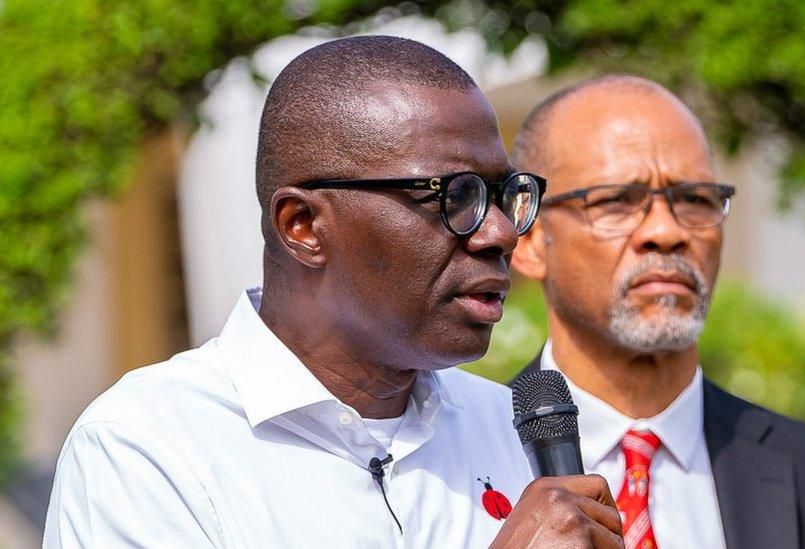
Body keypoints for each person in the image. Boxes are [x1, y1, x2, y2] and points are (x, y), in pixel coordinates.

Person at [44, 37, 625, 548]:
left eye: (505, 195)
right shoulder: (149, 449)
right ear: (302, 225)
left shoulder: (510, 428)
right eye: (456, 196)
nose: (499, 232)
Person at [510, 74, 805, 549]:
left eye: (695, 199)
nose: (666, 231)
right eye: (616, 200)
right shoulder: (449, 464)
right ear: (528, 239)